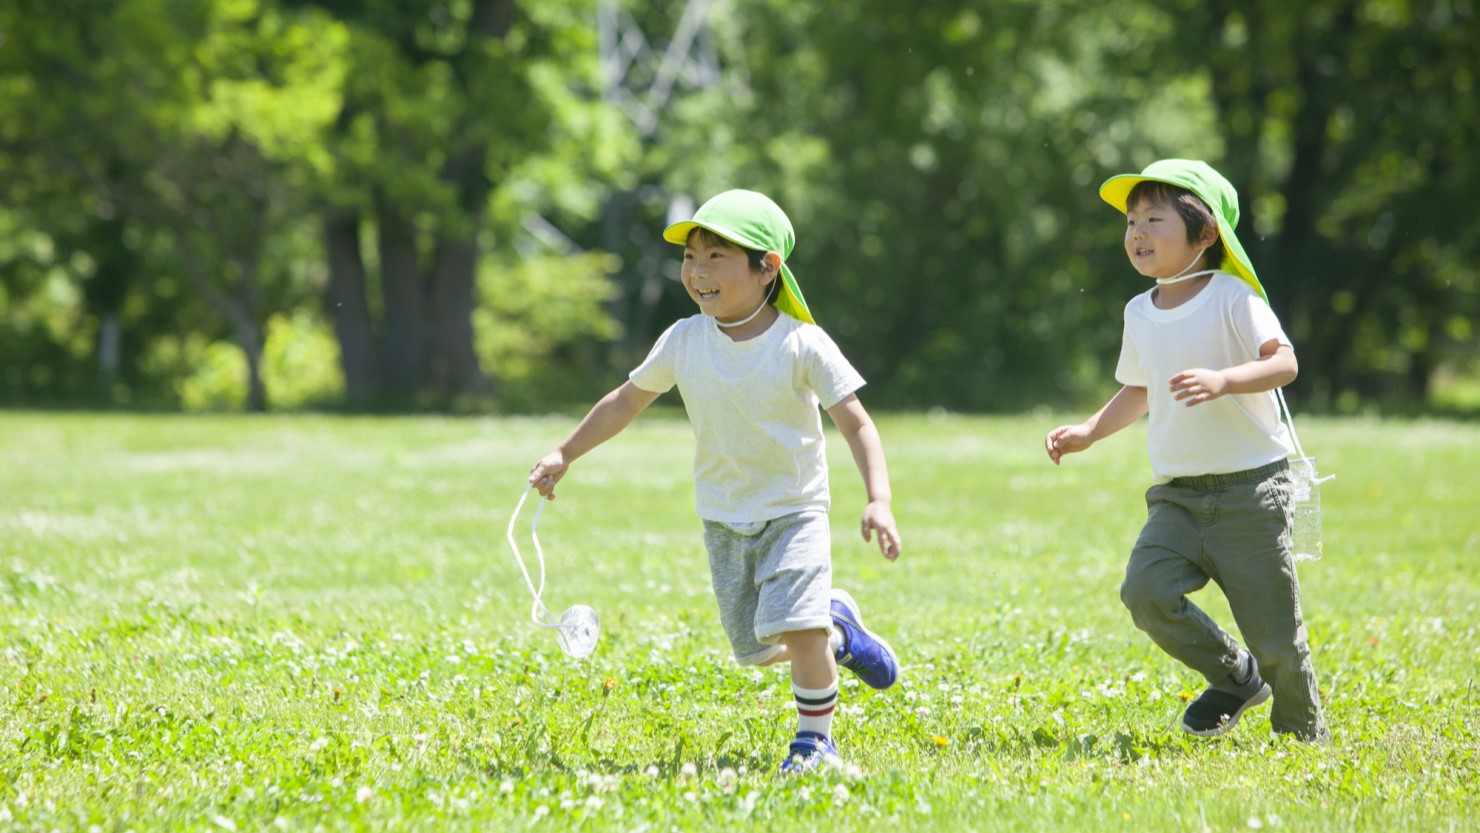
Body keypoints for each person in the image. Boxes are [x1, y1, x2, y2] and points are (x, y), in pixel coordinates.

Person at [529, 189, 904, 771]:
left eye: (715, 258)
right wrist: (564, 452)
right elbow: (626, 402)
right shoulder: (684, 339)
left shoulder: (801, 343)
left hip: (794, 507)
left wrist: (878, 499)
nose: (697, 273)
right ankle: (842, 634)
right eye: (690, 259)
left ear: (767, 269)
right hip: (724, 514)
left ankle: (813, 744)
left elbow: (857, 424)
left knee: (798, 630)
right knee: (757, 648)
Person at [1044, 160, 1327, 742]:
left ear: (1206, 234)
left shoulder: (1233, 297)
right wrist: (1090, 431)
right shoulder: (1139, 311)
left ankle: (1301, 734)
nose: (1137, 233)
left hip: (1251, 490)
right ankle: (1236, 677)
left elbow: (1285, 362)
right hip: (1176, 496)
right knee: (1145, 593)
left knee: (1274, 635)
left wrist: (1225, 379)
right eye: (1130, 221)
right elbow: (1139, 387)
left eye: (1154, 218)